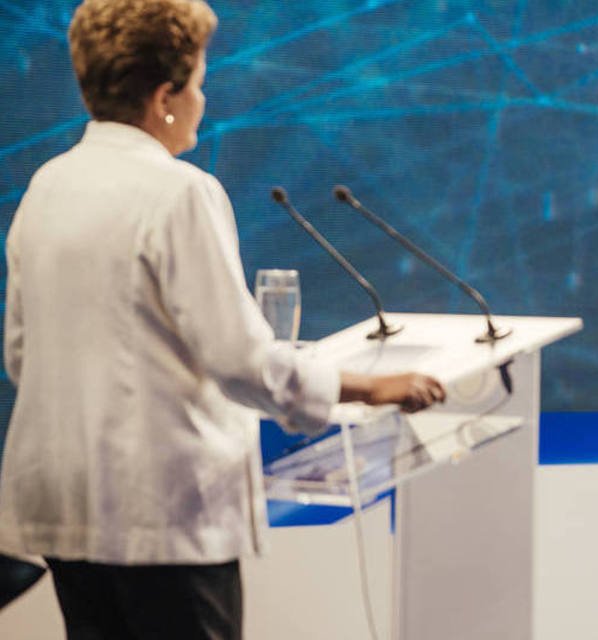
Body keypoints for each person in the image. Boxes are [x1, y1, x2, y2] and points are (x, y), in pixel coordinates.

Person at [0, 1, 445, 637]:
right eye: (200, 83)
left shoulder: (47, 185)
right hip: (160, 518)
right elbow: (241, 360)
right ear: (164, 97)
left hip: (65, 510)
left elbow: (22, 355)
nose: (204, 100)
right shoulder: (179, 192)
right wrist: (370, 386)